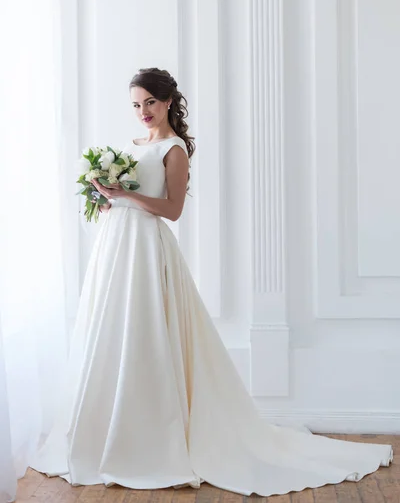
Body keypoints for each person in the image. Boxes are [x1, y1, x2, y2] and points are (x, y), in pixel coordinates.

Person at [29, 68, 393, 496]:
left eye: (149, 102)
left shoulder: (174, 148)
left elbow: (172, 209)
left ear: (167, 102)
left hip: (148, 249)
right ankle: (104, 434)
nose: (142, 111)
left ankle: (154, 440)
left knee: (148, 333)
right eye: (135, 104)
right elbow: (123, 202)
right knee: (110, 333)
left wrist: (124, 194)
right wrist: (105, 197)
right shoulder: (131, 147)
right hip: (116, 247)